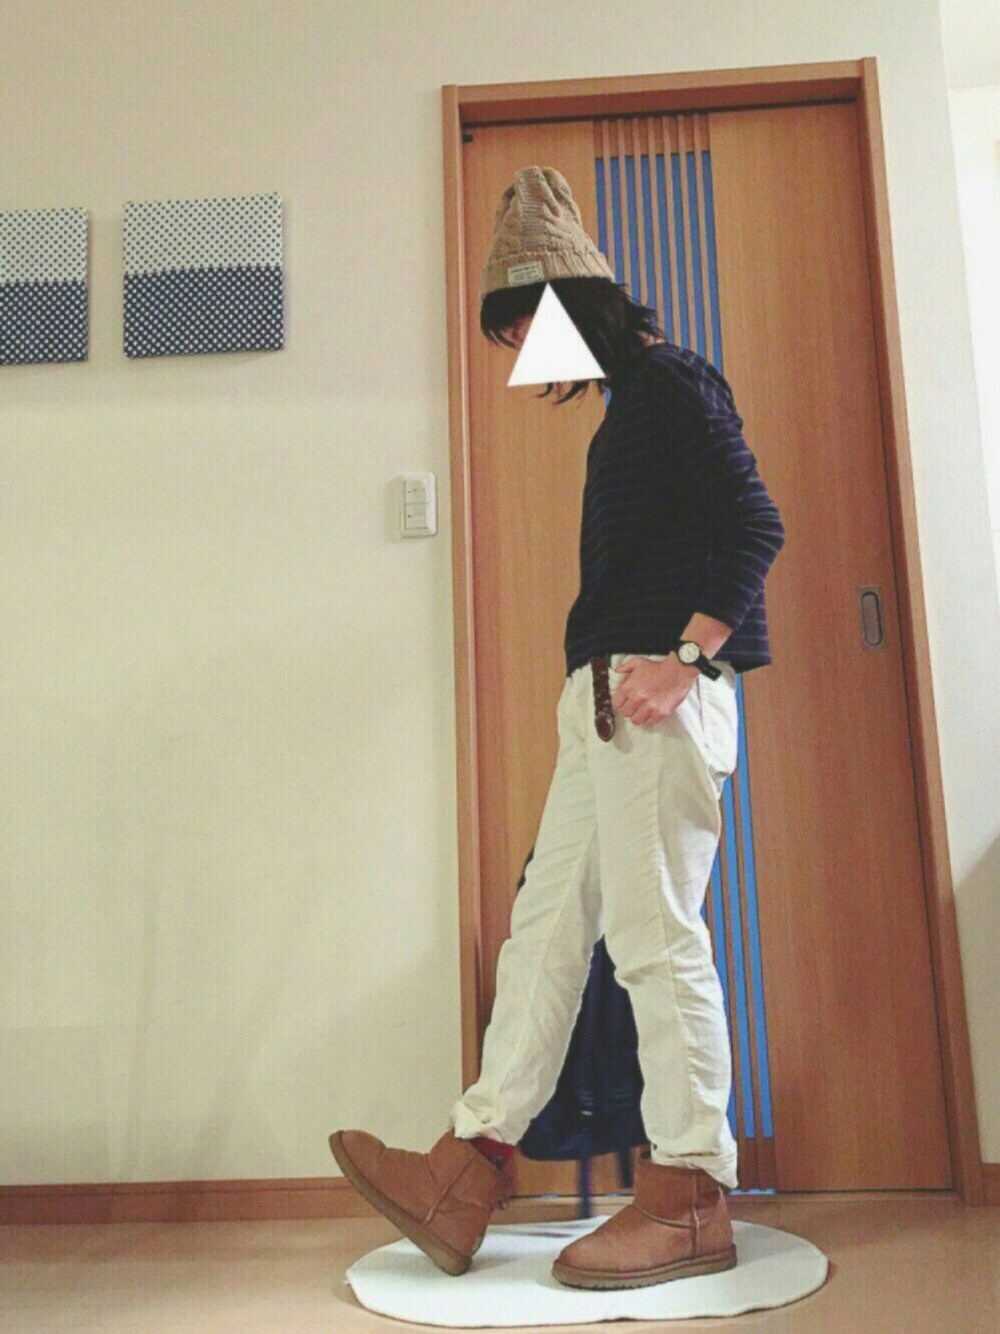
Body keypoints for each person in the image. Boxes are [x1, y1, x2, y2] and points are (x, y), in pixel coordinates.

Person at [330, 165, 786, 1289]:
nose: (521, 356)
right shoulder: (634, 403)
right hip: (599, 707)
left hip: (652, 694)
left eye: (524, 328)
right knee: (543, 935)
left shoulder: (671, 380)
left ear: (569, 303)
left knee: (655, 940)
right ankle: (469, 1165)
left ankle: (689, 1193)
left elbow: (754, 518)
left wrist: (688, 658)